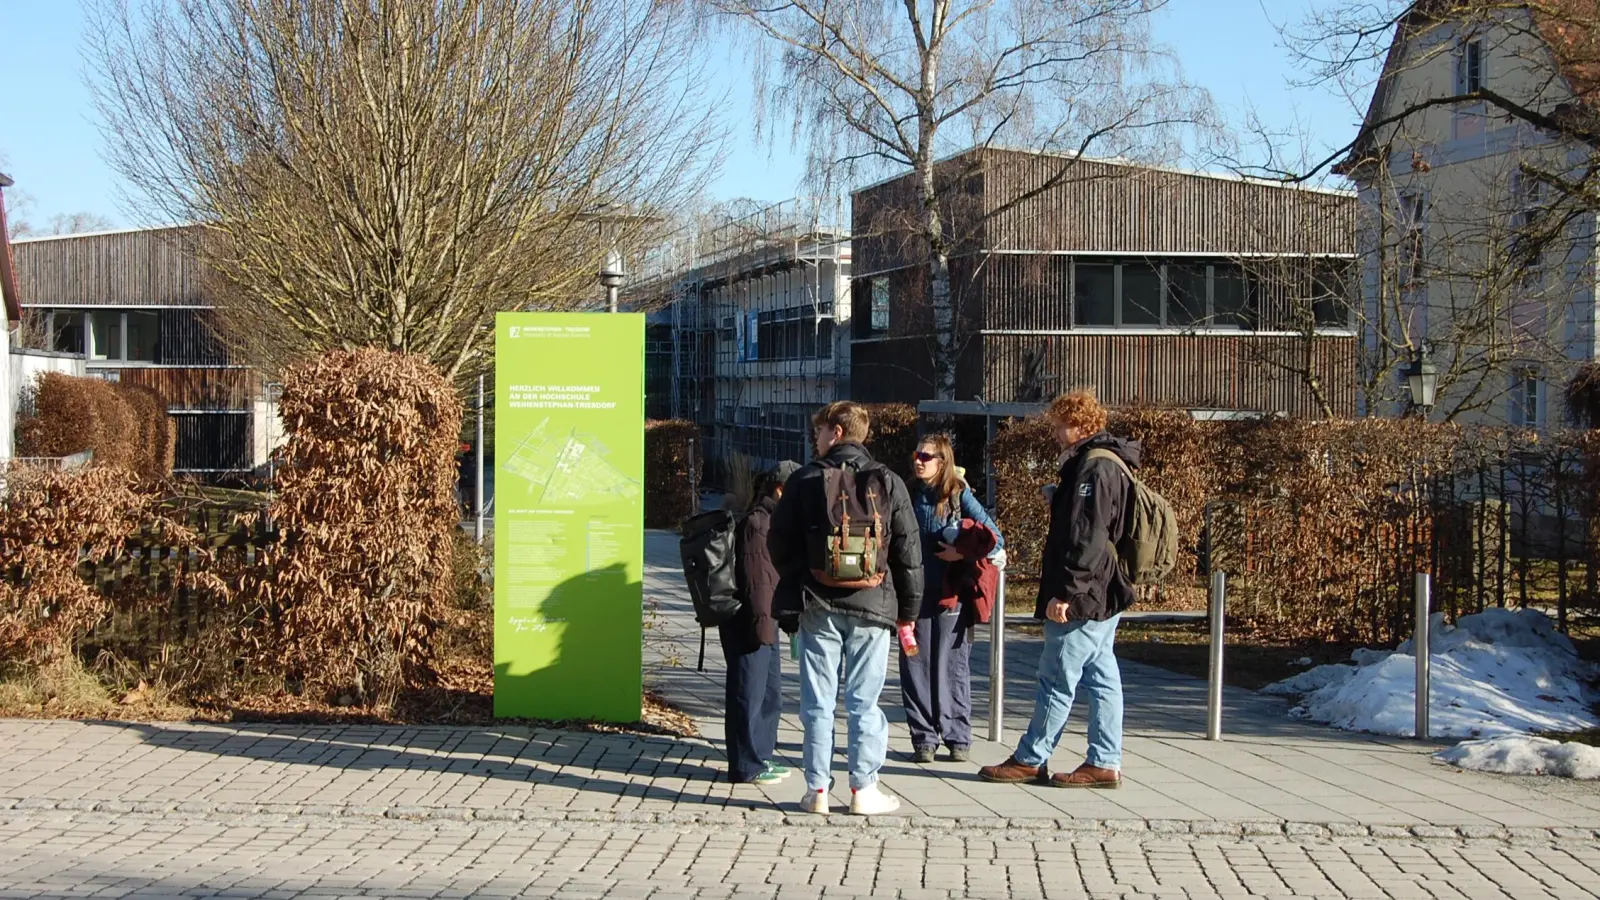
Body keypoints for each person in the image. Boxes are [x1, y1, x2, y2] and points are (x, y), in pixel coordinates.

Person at [769, 401, 923, 815]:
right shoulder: (888, 481)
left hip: (818, 603)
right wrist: (907, 612)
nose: (815, 437)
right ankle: (863, 790)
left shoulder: (804, 479)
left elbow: (777, 543)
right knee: (864, 702)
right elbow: (909, 553)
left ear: (836, 432)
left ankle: (816, 790)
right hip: (872, 606)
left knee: (817, 702)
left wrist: (804, 575)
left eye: (819, 430)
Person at [979, 388, 1134, 789]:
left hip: (1085, 595)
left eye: (1060, 425)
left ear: (1080, 425)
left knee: (1056, 676)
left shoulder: (1093, 469)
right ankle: (1104, 761)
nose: (1054, 433)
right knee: (1102, 677)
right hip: (1105, 590)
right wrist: (1060, 495)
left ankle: (1031, 758)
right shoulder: (1105, 462)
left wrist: (1066, 593)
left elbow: (1087, 536)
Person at [901, 433, 1004, 764]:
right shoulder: (907, 493)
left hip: (952, 595)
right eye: (917, 454)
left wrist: (959, 553)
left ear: (942, 461)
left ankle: (957, 737)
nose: (919, 461)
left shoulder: (958, 494)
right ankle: (924, 739)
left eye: (926, 456)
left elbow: (995, 539)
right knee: (915, 665)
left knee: (952, 666)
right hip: (913, 595)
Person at [721, 460, 801, 786]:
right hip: (751, 623)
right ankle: (745, 765)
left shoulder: (775, 521)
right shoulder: (758, 523)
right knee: (748, 695)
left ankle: (761, 756)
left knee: (770, 695)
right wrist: (762, 626)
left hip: (766, 620)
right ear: (780, 490)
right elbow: (757, 583)